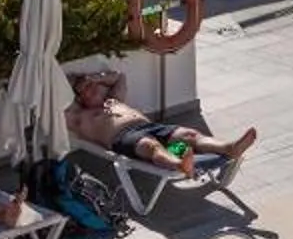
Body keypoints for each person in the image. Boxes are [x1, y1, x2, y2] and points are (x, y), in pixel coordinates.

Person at [67, 69, 256, 173]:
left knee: (188, 135)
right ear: (79, 99)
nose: (92, 88)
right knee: (151, 147)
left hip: (150, 127)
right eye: (86, 89)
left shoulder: (114, 99)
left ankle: (228, 148)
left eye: (93, 85)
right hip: (124, 138)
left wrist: (94, 77)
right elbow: (59, 105)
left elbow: (119, 76)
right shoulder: (81, 117)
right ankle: (178, 165)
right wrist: (72, 88)